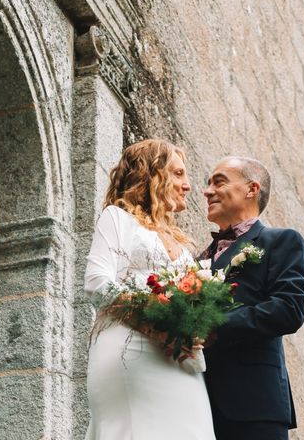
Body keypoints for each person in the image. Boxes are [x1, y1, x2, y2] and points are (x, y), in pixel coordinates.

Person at [84, 139, 216, 440]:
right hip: (131, 353)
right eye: (178, 174)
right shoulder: (117, 219)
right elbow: (97, 282)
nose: (188, 186)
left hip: (180, 359)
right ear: (151, 174)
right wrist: (157, 323)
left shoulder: (183, 244)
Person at [201, 156, 304, 440]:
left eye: (219, 182)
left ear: (252, 189)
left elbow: (288, 309)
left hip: (253, 404)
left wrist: (216, 325)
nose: (207, 191)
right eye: (207, 184)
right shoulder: (197, 258)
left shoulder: (282, 241)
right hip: (198, 405)